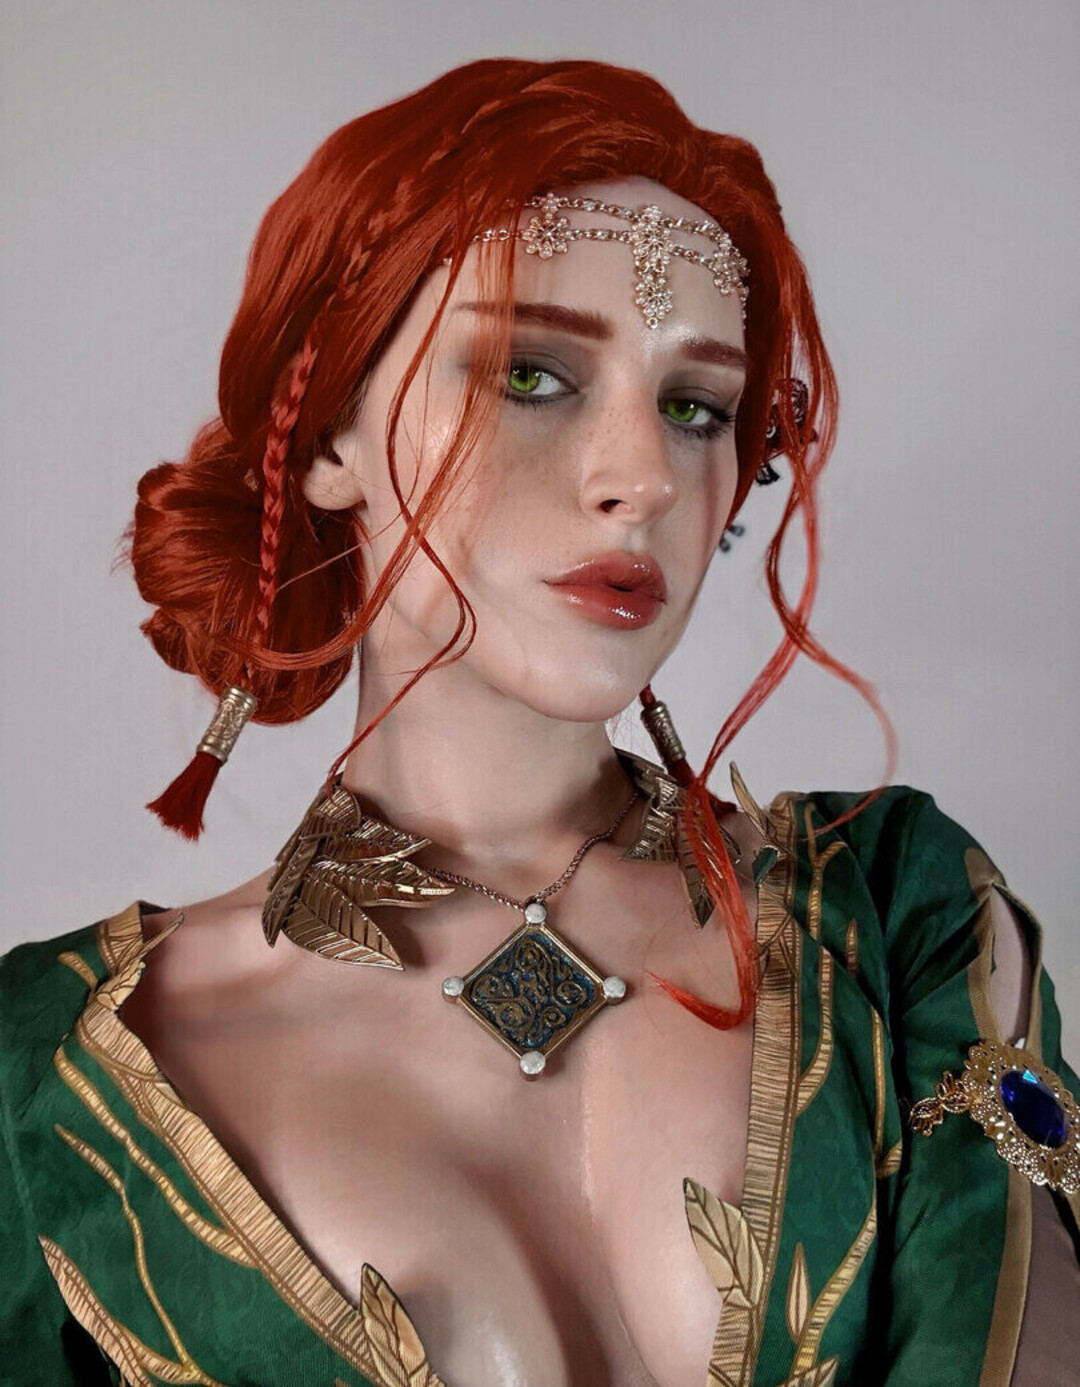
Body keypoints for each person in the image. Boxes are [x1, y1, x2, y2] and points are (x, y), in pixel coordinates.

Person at [1, 57, 1077, 1387]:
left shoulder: (898, 916)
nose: (645, 476)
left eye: (697, 408)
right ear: (328, 438)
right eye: (531, 374)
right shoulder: (53, 1079)